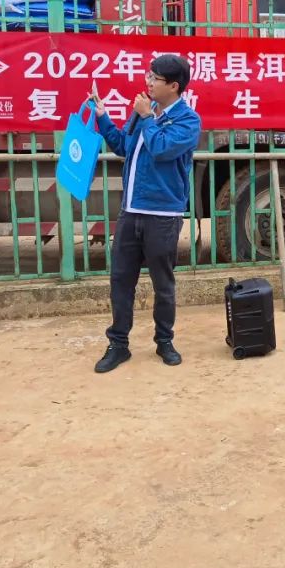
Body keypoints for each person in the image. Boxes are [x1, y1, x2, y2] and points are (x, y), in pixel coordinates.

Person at [89, 54, 202, 373]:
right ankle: (118, 344)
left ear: (174, 86)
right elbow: (124, 147)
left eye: (155, 78)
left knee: (162, 284)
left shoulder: (188, 121)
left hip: (163, 216)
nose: (148, 82)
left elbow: (162, 149)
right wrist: (103, 116)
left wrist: (147, 117)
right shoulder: (144, 111)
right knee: (120, 280)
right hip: (131, 212)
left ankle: (164, 341)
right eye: (148, 76)